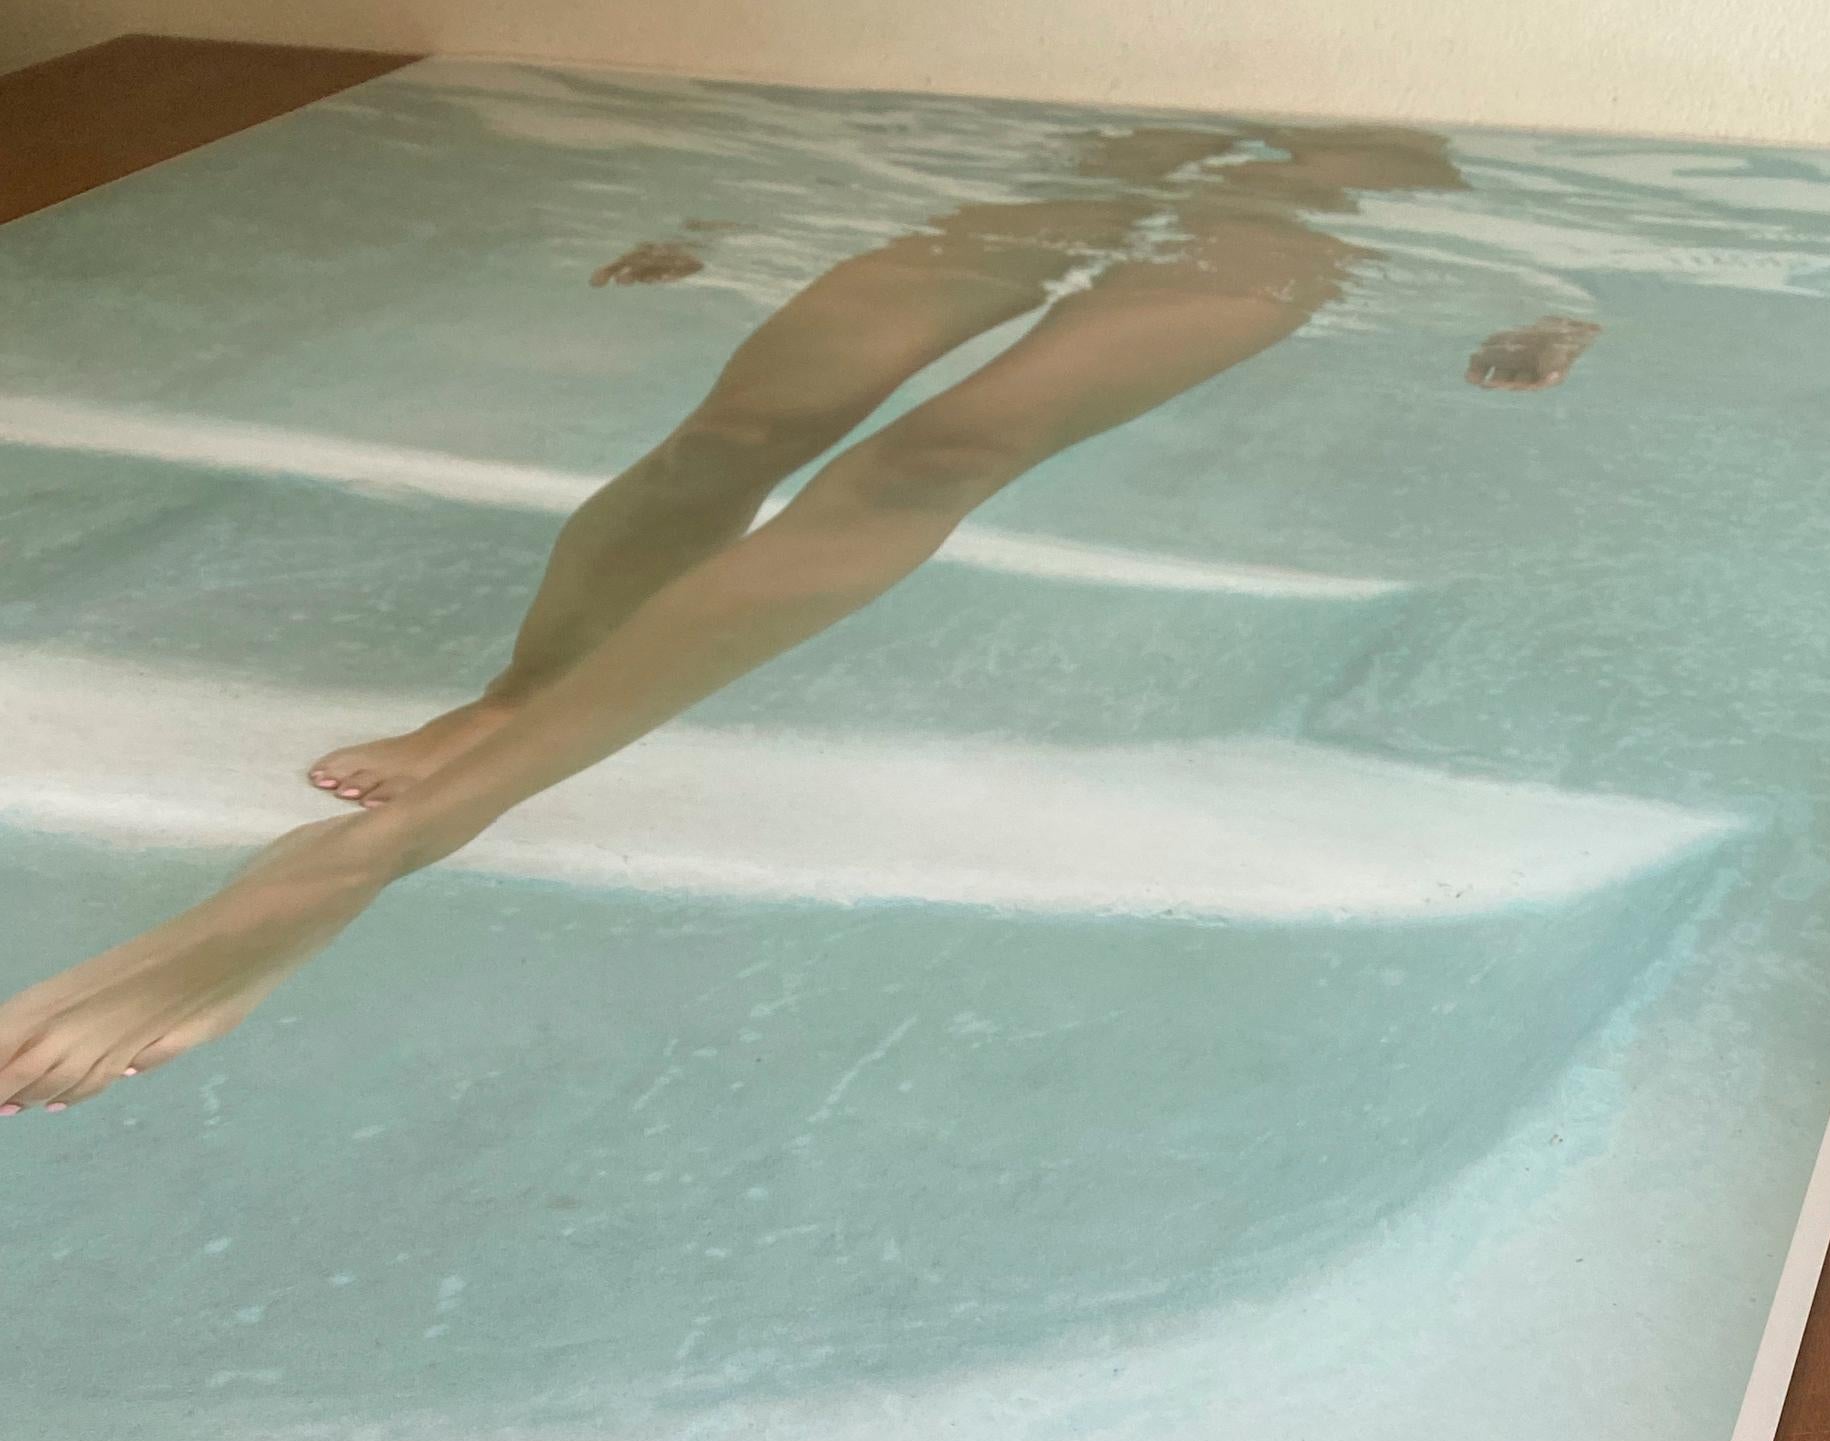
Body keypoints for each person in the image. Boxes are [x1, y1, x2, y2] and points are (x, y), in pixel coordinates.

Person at [0, 121, 1598, 1115]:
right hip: (1110, 143)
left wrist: (1554, 294)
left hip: (1341, 192)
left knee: (941, 451)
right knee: (741, 426)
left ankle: (353, 865)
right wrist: (708, 212)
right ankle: (508, 699)